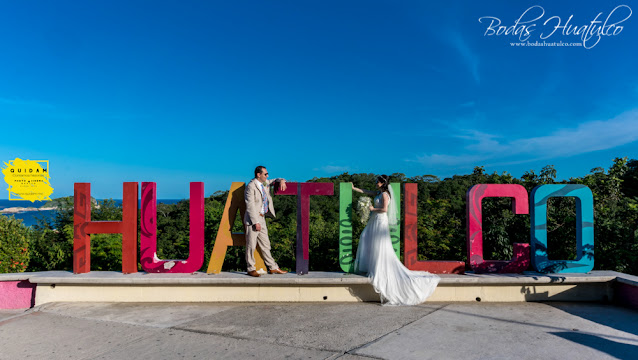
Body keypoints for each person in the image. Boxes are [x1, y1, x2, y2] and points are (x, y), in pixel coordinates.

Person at [352, 175, 440, 305]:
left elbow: (384, 210)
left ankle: (379, 268)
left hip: (380, 220)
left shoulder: (385, 195)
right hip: (374, 221)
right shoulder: (378, 193)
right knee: (366, 238)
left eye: (378, 181)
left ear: (382, 183)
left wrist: (371, 209)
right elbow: (366, 191)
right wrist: (354, 188)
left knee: (379, 244)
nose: (376, 183)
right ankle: (372, 266)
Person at [244, 166, 288, 277]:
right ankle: (250, 268)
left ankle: (273, 267)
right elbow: (250, 205)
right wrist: (255, 222)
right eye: (265, 174)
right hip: (253, 220)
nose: (267, 176)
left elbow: (275, 180)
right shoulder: (251, 186)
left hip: (262, 218)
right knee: (251, 245)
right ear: (258, 175)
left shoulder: (265, 183)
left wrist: (282, 180)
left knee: (266, 244)